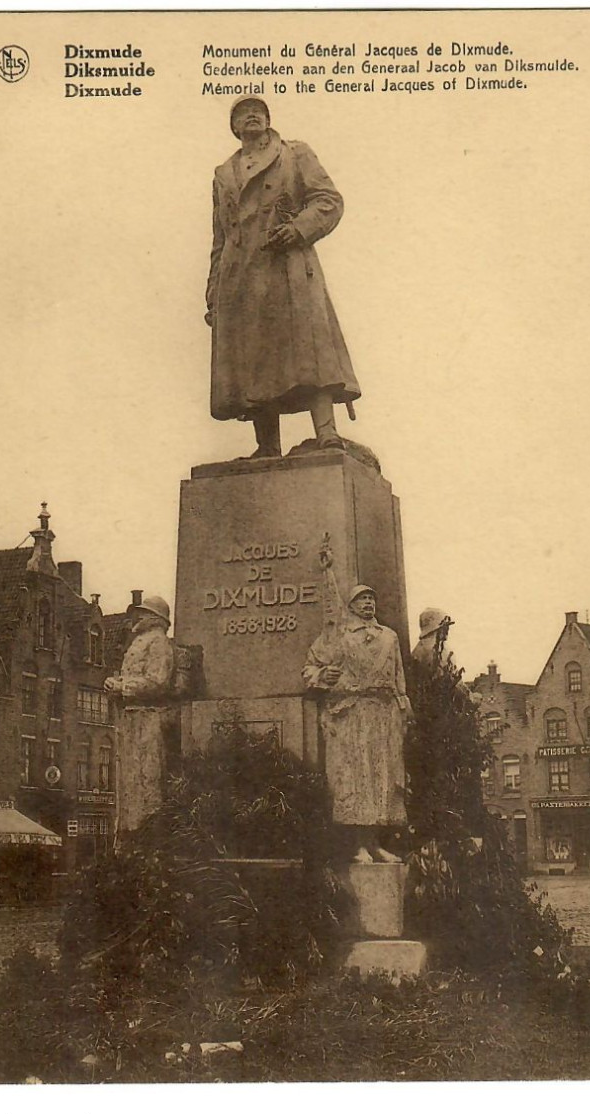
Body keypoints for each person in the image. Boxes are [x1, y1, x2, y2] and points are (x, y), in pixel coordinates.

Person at [206, 96, 361, 458]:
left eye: (258, 111)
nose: (252, 116)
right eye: (243, 113)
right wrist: (214, 290)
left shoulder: (294, 154)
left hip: (287, 266)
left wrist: (300, 229)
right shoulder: (223, 175)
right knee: (253, 359)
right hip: (240, 277)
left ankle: (326, 433)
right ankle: (267, 446)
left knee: (309, 349)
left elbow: (328, 200)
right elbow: (220, 237)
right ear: (234, 127)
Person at [302, 540, 412, 862]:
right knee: (356, 778)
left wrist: (404, 709)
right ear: (351, 605)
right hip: (352, 714)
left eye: (371, 599)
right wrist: (323, 678)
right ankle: (358, 845)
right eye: (362, 599)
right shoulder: (339, 638)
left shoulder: (389, 637)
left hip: (383, 715)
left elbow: (399, 677)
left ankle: (377, 842)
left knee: (383, 779)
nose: (368, 604)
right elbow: (311, 666)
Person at [105, 596, 189, 837]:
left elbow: (158, 682)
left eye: (143, 613)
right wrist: (115, 684)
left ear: (155, 618)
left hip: (148, 718)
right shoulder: (138, 642)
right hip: (130, 719)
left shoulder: (159, 643)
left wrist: (123, 687)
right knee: (131, 780)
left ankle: (147, 835)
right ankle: (131, 834)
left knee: (147, 778)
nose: (137, 616)